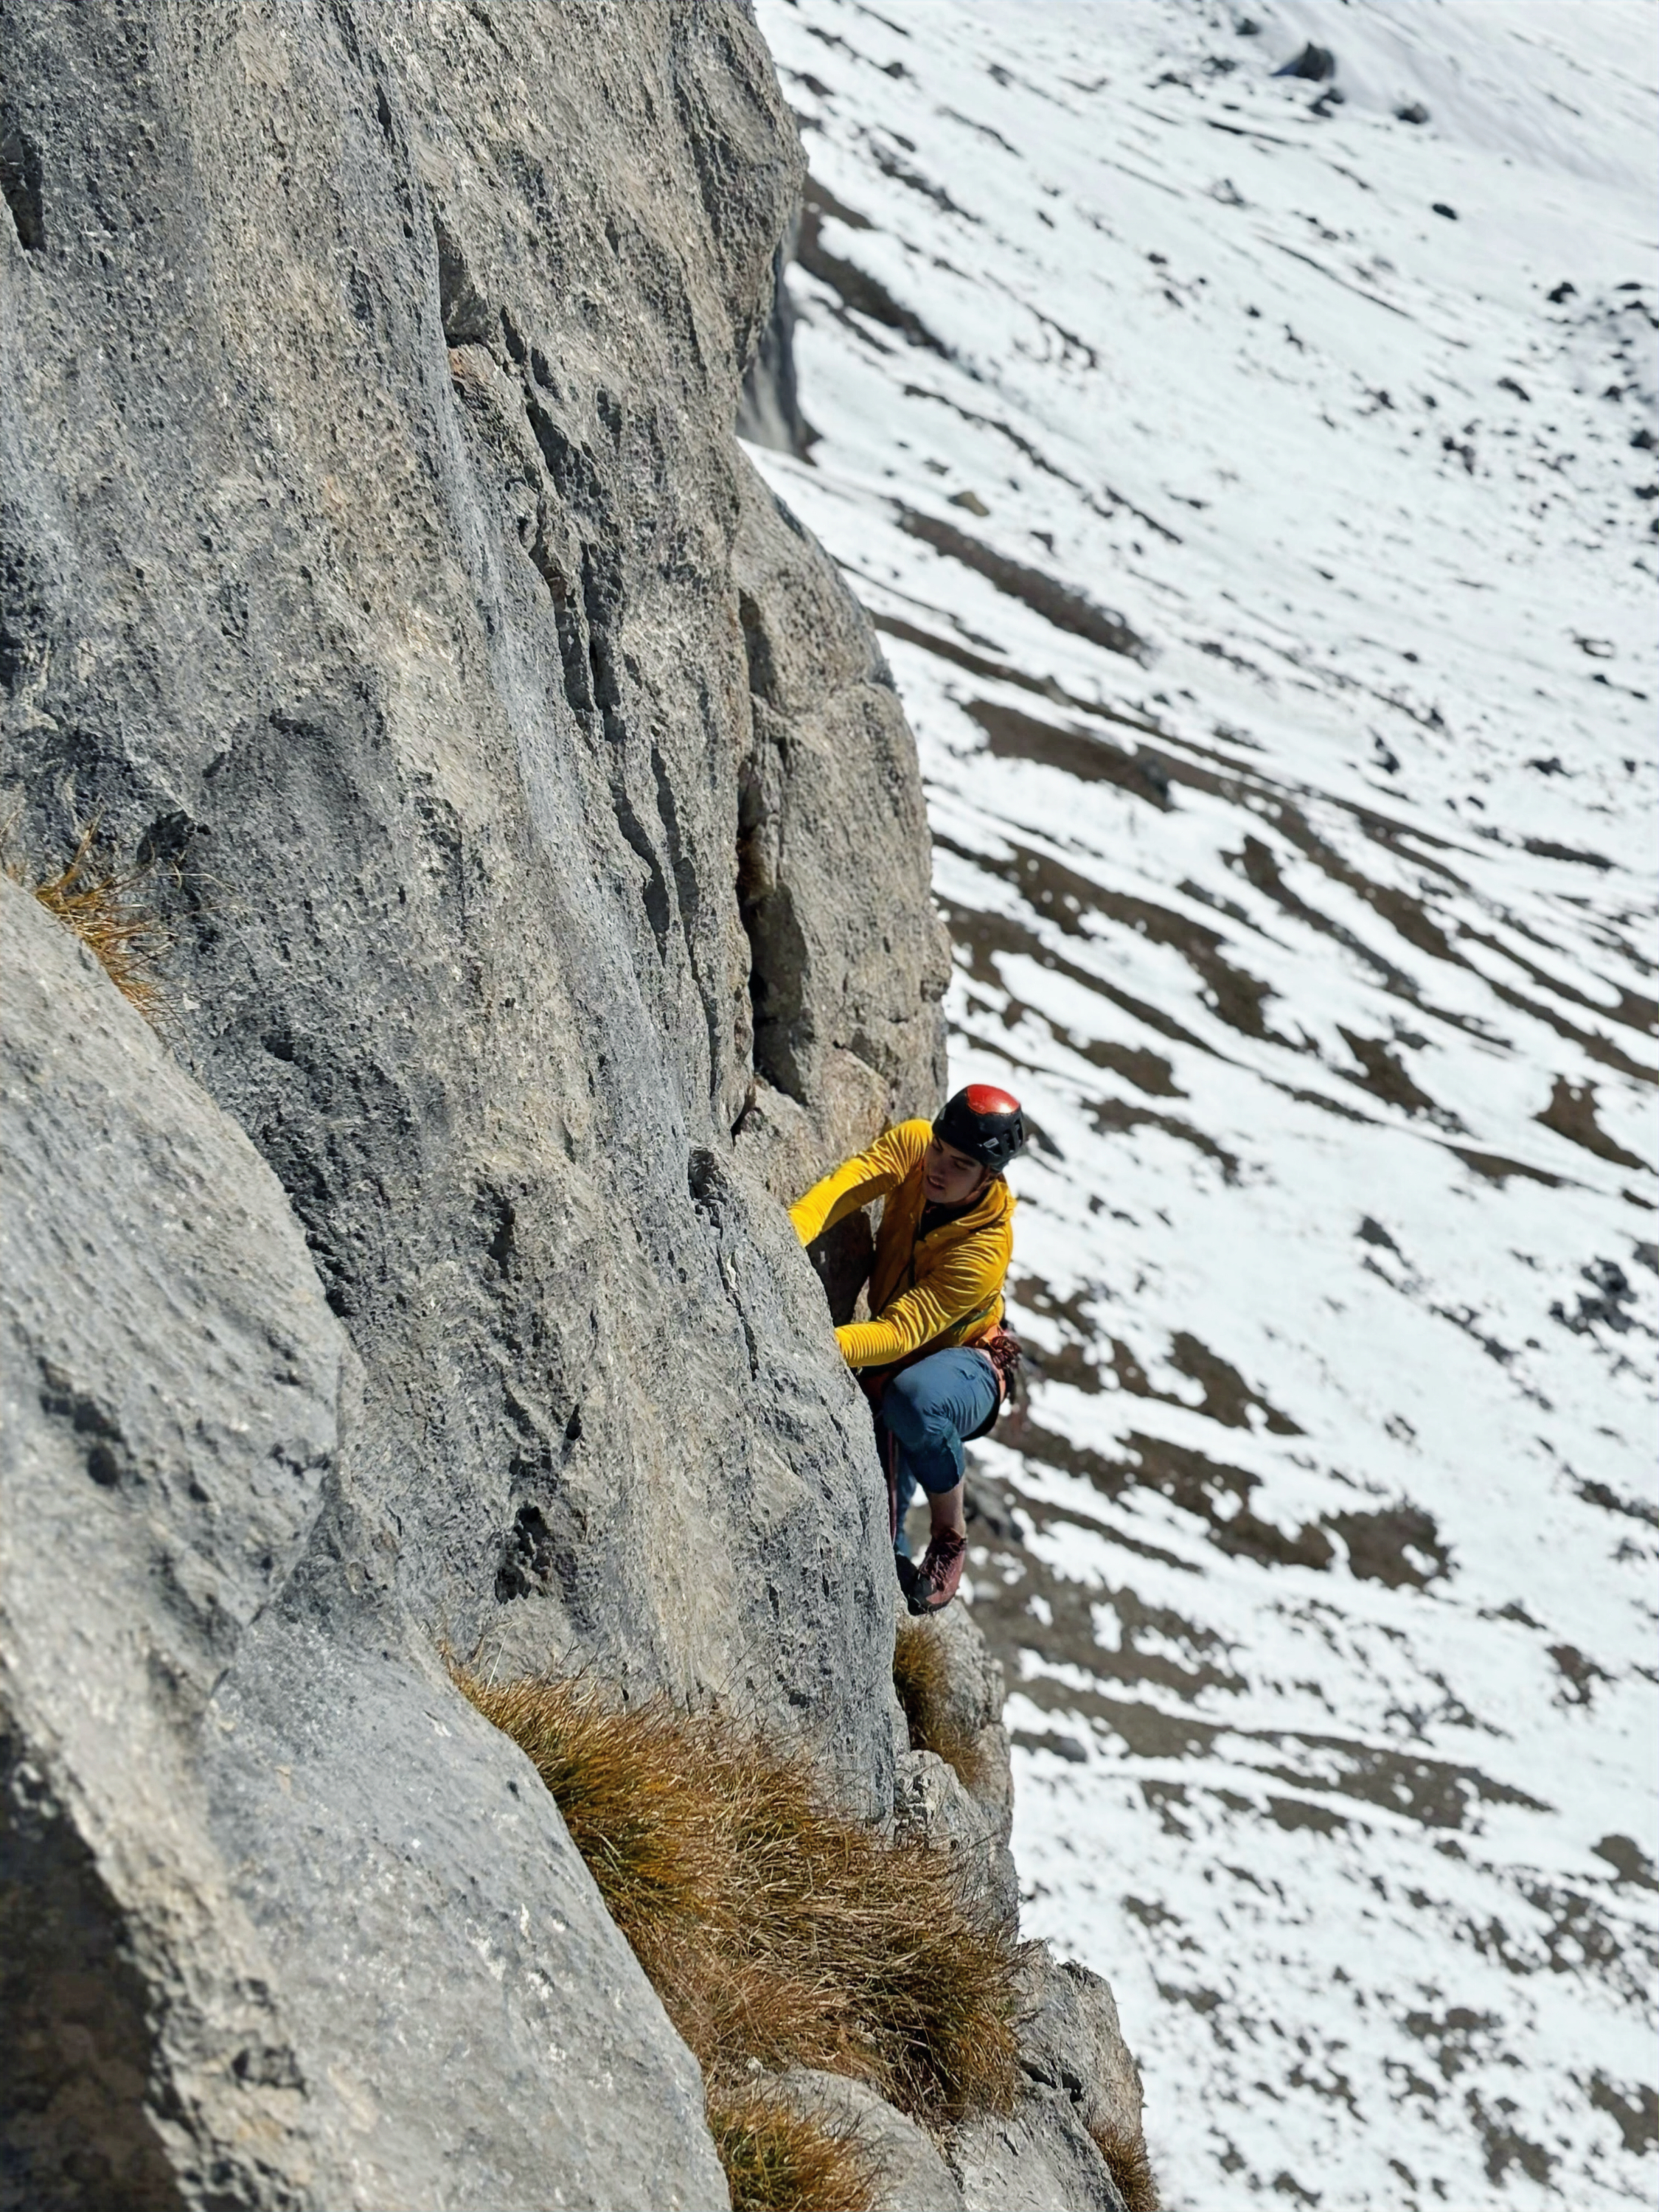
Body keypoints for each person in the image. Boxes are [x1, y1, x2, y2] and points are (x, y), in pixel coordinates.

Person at [790, 1085, 1026, 1613]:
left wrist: (810, 1341)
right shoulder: (917, 1145)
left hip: (968, 1366)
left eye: (960, 1164)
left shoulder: (985, 1248)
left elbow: (901, 1332)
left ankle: (949, 1535)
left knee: (916, 1402)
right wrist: (786, 1233)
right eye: (940, 1148)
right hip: (900, 1364)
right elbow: (848, 1185)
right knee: (878, 1532)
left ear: (989, 1176)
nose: (938, 1168)